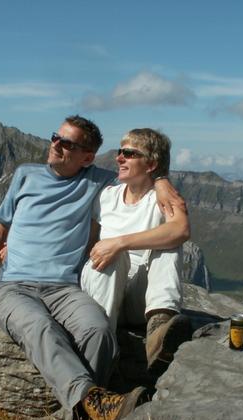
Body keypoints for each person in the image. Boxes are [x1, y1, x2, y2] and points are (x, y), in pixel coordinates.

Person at [0, 115, 184, 420]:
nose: (55, 145)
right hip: (14, 286)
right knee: (41, 327)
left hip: (65, 288)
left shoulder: (97, 181)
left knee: (98, 331)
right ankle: (93, 405)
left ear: (86, 157)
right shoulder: (25, 175)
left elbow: (140, 173)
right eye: (56, 137)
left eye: (67, 143)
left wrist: (162, 180)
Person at [80, 128, 191, 373]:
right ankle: (101, 343)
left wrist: (120, 242)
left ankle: (159, 328)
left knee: (169, 245)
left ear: (150, 164)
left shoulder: (161, 199)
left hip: (141, 299)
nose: (119, 157)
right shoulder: (106, 196)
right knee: (108, 255)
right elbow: (88, 244)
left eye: (129, 153)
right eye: (120, 151)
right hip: (103, 292)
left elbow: (181, 230)